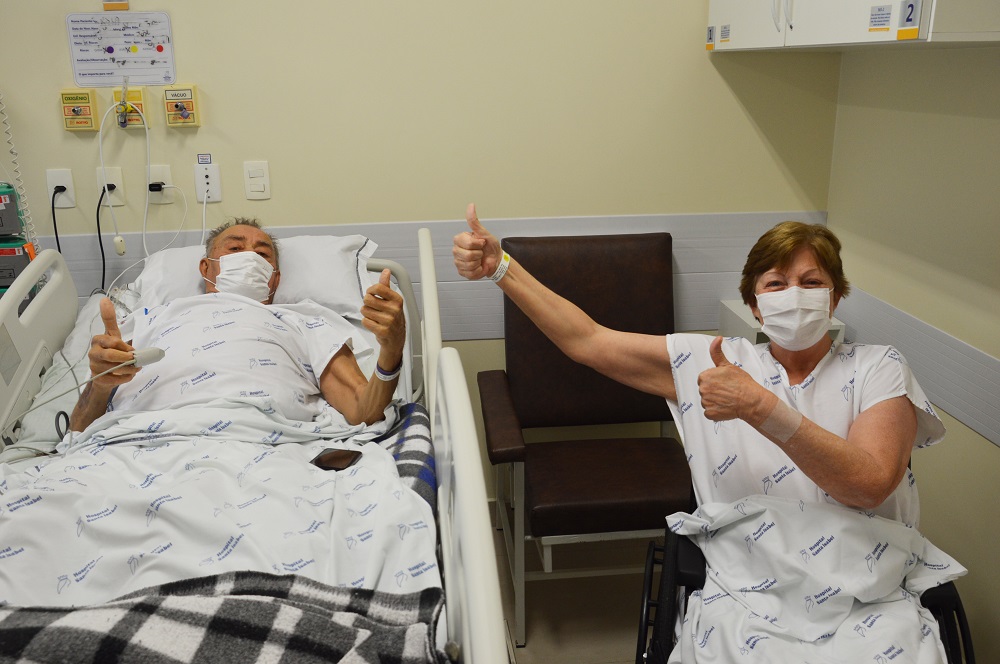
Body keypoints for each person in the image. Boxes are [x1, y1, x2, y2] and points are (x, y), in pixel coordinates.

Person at [453, 204, 963, 662]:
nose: (795, 295)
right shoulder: (717, 361)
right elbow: (587, 340)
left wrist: (761, 408)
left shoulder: (879, 368)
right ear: (755, 307)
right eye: (775, 284)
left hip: (866, 594)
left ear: (834, 299)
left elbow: (869, 483)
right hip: (749, 587)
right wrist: (502, 268)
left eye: (812, 282)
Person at [70, 218, 405, 433]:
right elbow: (78, 428)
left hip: (262, 443)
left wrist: (391, 348)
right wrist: (99, 386)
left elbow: (363, 410)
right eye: (234, 249)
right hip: (144, 445)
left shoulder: (305, 322)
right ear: (206, 267)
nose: (250, 257)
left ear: (275, 278)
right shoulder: (150, 319)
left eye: (263, 254)